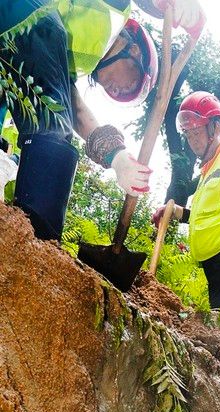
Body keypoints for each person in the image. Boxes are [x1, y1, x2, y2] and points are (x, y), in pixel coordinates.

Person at [0, 0, 205, 239]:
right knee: (53, 127)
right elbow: (57, 108)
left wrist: (117, 157)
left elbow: (74, 109)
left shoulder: (72, 61)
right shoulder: (114, 13)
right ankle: (34, 243)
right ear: (135, 51)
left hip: (11, 40)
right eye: (130, 85)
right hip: (25, 15)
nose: (118, 91)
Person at [152, 90, 220, 371]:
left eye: (197, 132)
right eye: (188, 135)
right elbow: (203, 216)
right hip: (214, 261)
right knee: (218, 324)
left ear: (214, 126)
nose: (193, 140)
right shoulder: (207, 171)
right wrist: (176, 212)